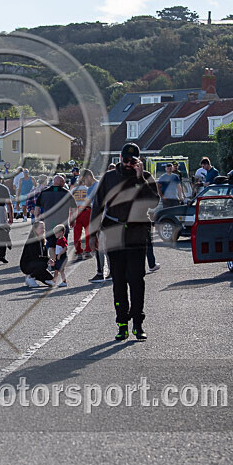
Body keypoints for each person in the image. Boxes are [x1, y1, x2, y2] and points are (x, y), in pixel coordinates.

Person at [91, 143, 159, 341]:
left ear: (138, 160)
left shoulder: (145, 177)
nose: (129, 164)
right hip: (114, 233)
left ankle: (138, 323)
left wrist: (140, 179)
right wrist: (92, 234)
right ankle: (122, 324)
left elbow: (153, 202)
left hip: (137, 234)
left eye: (133, 161)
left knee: (137, 281)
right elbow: (98, 206)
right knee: (119, 281)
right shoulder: (109, 178)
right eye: (126, 160)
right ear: (120, 157)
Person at [35, 175, 74, 257]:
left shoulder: (44, 192)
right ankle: (60, 263)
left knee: (51, 245)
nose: (64, 183)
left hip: (49, 223)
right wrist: (72, 220)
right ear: (60, 182)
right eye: (63, 182)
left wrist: (37, 219)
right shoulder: (66, 193)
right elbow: (74, 208)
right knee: (62, 244)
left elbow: (37, 207)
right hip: (62, 224)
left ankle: (53, 262)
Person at [20, 221, 54, 288]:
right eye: (41, 228)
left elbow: (44, 255)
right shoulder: (32, 241)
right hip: (27, 265)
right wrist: (47, 260)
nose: (43, 230)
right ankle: (30, 277)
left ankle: (34, 276)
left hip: (38, 263)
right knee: (43, 264)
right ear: (35, 229)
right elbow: (34, 256)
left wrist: (49, 259)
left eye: (44, 228)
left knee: (51, 279)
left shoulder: (42, 240)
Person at [70, 170, 92, 259]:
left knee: (77, 233)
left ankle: (79, 251)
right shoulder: (88, 189)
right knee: (88, 232)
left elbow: (70, 204)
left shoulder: (73, 190)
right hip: (87, 210)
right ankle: (87, 250)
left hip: (76, 211)